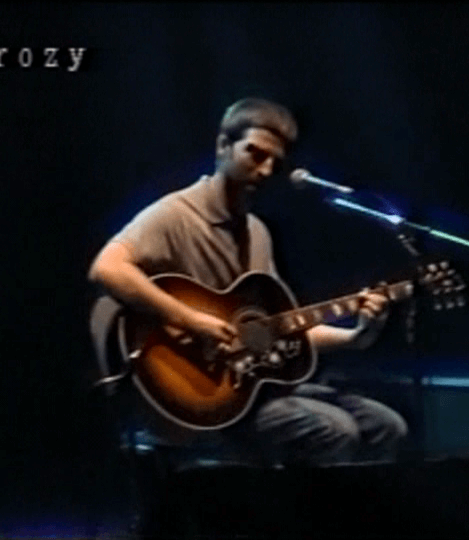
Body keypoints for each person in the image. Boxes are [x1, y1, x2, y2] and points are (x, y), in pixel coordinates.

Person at [88, 97, 408, 469]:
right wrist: (191, 320)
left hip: (251, 388)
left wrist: (356, 335)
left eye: (274, 162)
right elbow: (107, 268)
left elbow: (278, 326)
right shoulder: (174, 215)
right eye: (255, 154)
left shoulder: (257, 232)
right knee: (335, 430)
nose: (265, 170)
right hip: (200, 397)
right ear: (223, 146)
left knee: (386, 425)